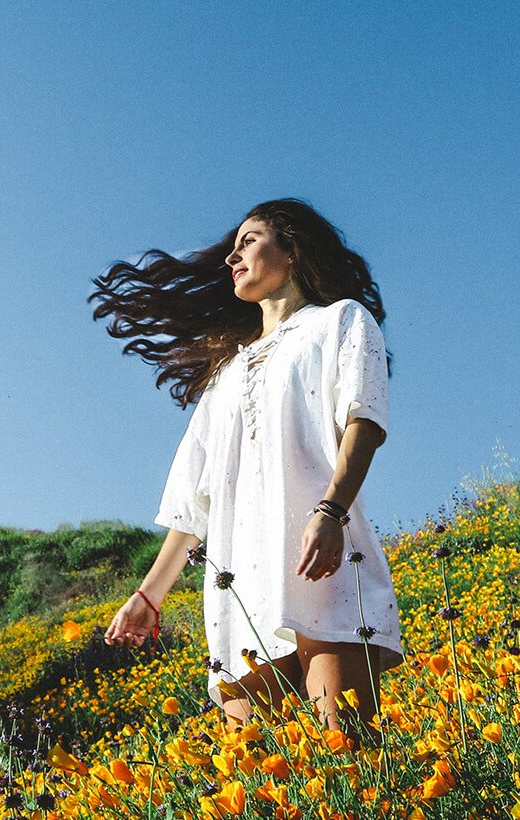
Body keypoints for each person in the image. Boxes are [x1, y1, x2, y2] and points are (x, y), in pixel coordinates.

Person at [90, 198, 405, 747]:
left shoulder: (341, 321)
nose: (233, 255)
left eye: (250, 240)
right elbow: (195, 499)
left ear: (293, 248)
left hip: (323, 562)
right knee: (254, 780)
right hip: (239, 584)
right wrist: (148, 596)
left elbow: (365, 418)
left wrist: (330, 511)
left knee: (348, 754)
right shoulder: (227, 372)